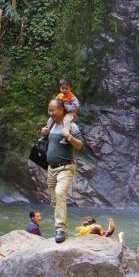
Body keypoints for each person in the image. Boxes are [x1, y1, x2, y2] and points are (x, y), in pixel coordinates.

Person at [40, 98, 84, 243]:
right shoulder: (50, 124)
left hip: (66, 168)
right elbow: (48, 143)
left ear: (61, 110)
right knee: (55, 200)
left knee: (60, 194)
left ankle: (60, 230)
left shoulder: (72, 126)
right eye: (49, 110)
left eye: (53, 110)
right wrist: (44, 134)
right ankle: (62, 226)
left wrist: (69, 136)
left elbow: (80, 146)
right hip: (51, 169)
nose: (50, 113)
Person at [44, 78, 80, 144]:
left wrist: (68, 108)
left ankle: (66, 137)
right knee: (50, 120)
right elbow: (55, 103)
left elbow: (76, 105)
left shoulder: (72, 97)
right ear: (60, 88)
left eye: (67, 89)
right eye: (62, 88)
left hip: (69, 113)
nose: (64, 90)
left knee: (66, 121)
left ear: (70, 88)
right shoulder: (59, 96)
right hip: (61, 112)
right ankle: (46, 133)